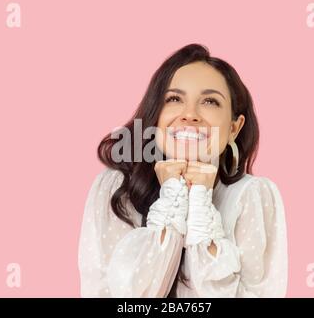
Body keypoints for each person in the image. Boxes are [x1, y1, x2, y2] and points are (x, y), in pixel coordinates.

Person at [78, 43, 288, 297]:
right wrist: (172, 195)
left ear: (234, 127)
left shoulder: (253, 195)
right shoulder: (115, 189)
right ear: (156, 115)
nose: (190, 115)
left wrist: (200, 198)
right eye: (174, 99)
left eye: (210, 101)